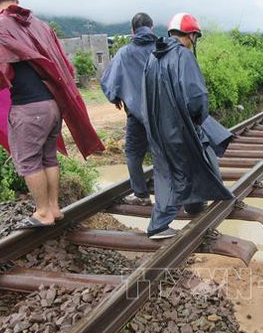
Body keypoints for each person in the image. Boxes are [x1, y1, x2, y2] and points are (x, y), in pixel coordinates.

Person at [0, 0, 104, 228]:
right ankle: (54, 207)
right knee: (48, 157)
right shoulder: (41, 27)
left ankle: (42, 212)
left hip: (28, 109)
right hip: (53, 106)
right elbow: (66, 66)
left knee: (29, 161)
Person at [140, 13, 234, 240]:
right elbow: (196, 97)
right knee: (183, 171)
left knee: (168, 171)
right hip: (179, 128)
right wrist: (200, 119)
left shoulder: (153, 57)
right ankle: (159, 225)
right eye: (195, 36)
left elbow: (143, 94)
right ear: (191, 35)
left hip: (157, 128)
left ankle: (194, 205)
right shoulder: (183, 57)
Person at [100, 12, 157, 206]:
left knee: (133, 153)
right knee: (164, 151)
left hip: (136, 115)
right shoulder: (163, 48)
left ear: (132, 31)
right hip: (164, 114)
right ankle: (169, 190)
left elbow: (108, 80)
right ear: (153, 27)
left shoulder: (124, 53)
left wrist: (116, 97)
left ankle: (141, 194)